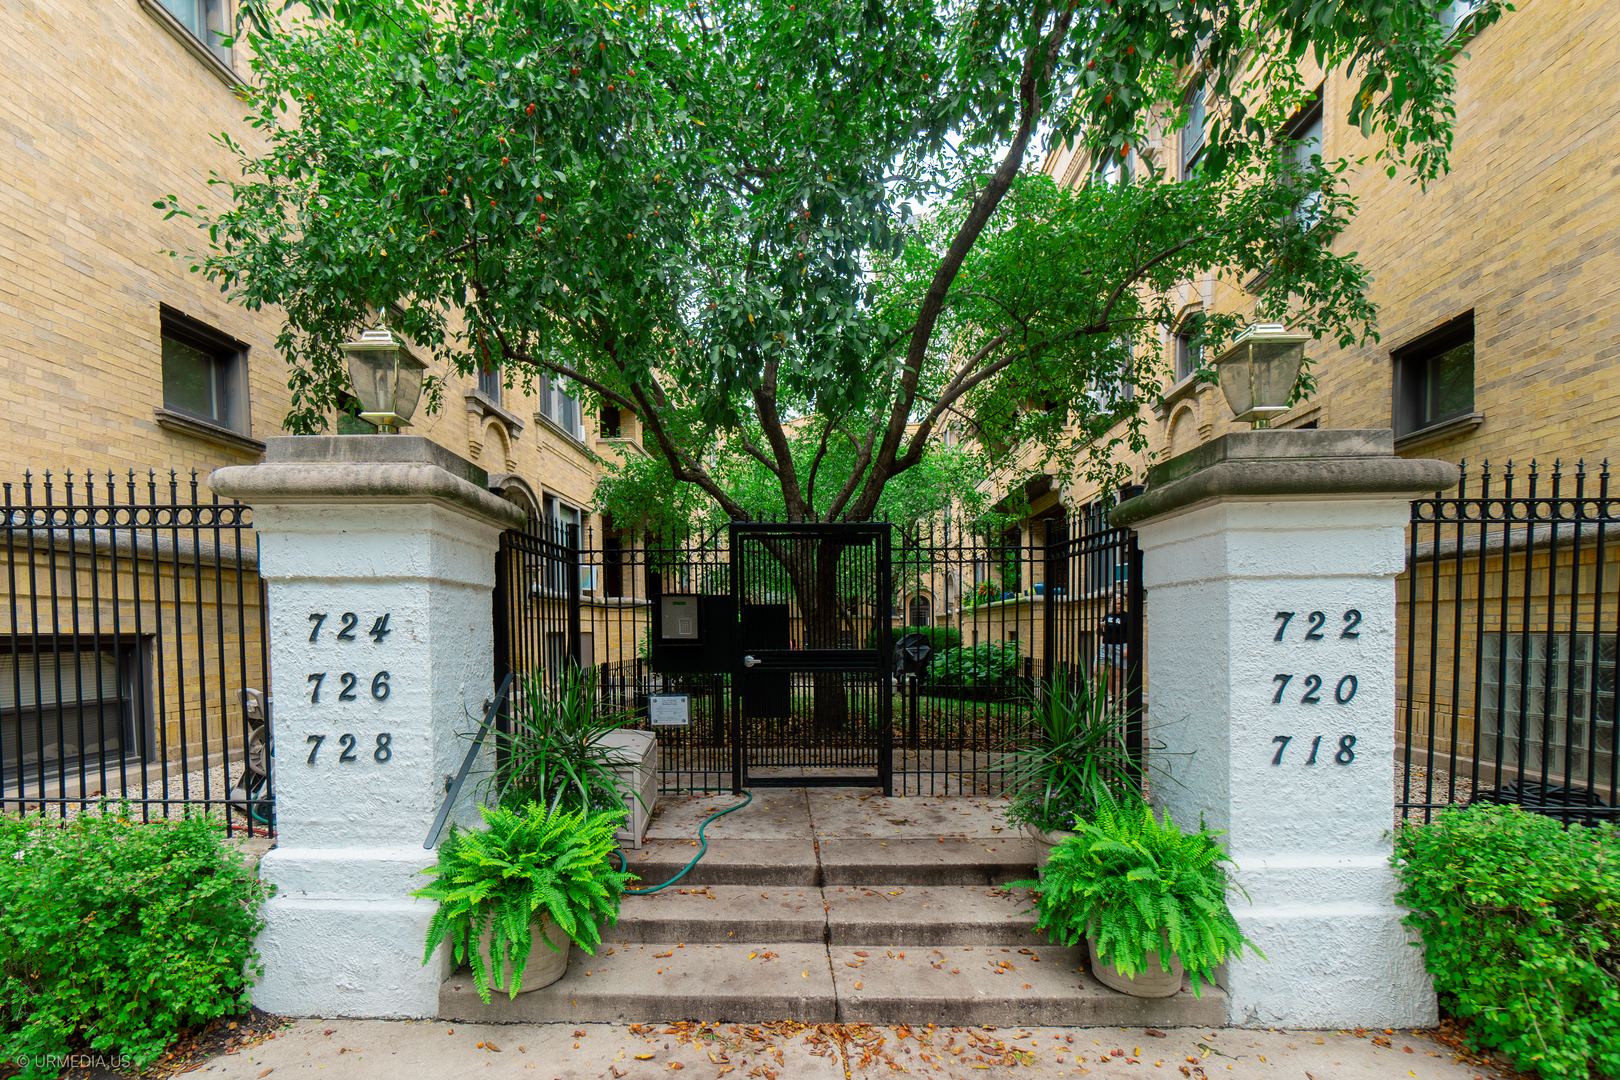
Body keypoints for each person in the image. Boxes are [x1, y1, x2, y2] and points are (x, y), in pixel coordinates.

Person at [1096, 592, 1129, 701]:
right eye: (1117, 603)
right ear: (1112, 604)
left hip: (1120, 646)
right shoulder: (1107, 616)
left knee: (1117, 676)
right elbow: (1100, 633)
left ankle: (1116, 699)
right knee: (1097, 670)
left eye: (1121, 603)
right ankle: (1114, 694)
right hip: (1106, 646)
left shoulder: (1126, 616)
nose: (1119, 605)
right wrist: (1099, 627)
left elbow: (1130, 633)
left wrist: (1127, 648)